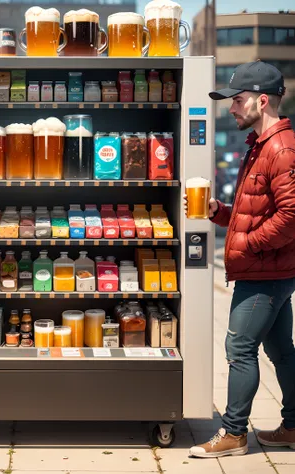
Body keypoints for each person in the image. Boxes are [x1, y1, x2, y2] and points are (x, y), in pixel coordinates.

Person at [186, 61, 295, 458]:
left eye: (237, 100)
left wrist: (247, 245)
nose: (230, 108)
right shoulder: (261, 146)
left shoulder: (280, 149)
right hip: (272, 269)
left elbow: (291, 217)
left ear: (261, 101)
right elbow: (260, 214)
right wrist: (218, 211)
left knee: (240, 350)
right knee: (282, 351)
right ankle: (294, 427)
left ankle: (233, 434)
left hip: (264, 274)